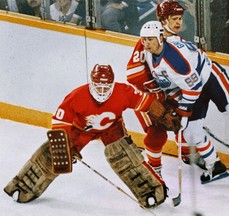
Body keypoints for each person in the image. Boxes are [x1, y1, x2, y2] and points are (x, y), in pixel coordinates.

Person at [139, 20, 229, 184]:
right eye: (144, 39)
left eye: (150, 39)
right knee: (191, 133)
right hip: (192, 86)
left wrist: (182, 112)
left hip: (210, 77)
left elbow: (193, 88)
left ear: (160, 38)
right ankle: (214, 166)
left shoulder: (174, 61)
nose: (146, 43)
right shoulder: (148, 53)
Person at [3, 64, 169, 208]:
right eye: (98, 87)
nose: (102, 92)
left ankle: (151, 190)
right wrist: (64, 145)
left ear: (112, 84)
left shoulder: (123, 91)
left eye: (106, 87)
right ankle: (22, 186)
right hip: (81, 129)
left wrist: (165, 114)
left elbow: (147, 102)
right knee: (54, 155)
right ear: (91, 83)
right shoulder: (77, 95)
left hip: (111, 128)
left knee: (123, 154)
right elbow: (60, 119)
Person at [126, 0, 205, 178]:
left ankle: (187, 153)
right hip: (148, 97)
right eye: (174, 18)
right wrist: (159, 96)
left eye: (180, 18)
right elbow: (133, 75)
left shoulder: (180, 42)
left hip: (169, 95)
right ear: (162, 20)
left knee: (183, 122)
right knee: (157, 134)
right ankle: (154, 170)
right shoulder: (149, 38)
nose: (179, 22)